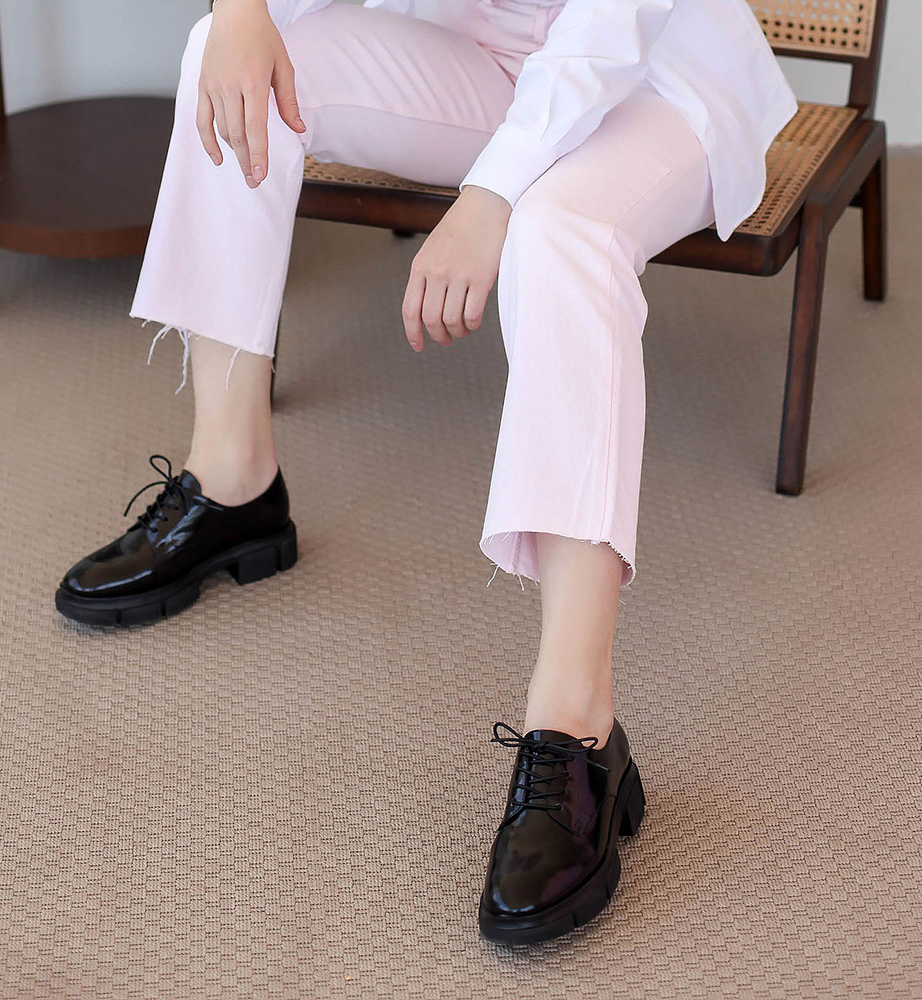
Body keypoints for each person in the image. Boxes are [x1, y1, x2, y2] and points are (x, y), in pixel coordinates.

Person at [54, 0, 797, 945]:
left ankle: (579, 725)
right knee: (228, 55)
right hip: (475, 54)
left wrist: (490, 200)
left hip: (652, 79)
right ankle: (234, 477)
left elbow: (609, 30)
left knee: (556, 228)